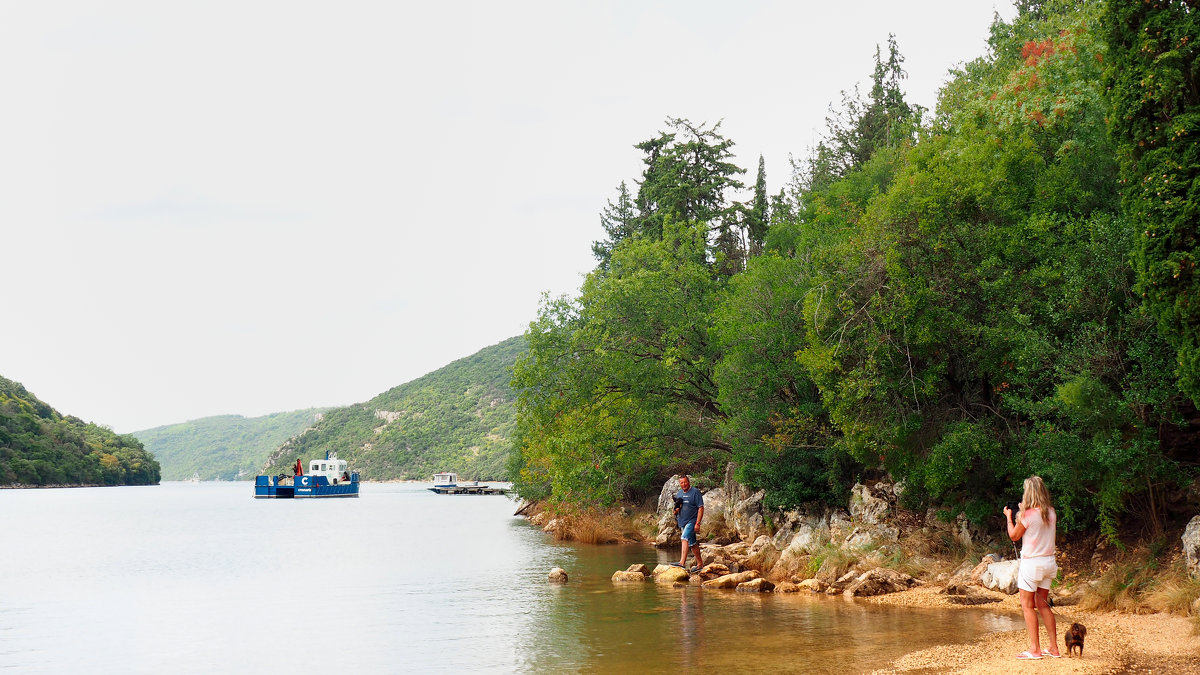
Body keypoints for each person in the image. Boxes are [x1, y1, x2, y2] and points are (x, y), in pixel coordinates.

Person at [1004, 476, 1060, 660]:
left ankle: (1035, 650)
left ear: (1028, 493)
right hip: (1049, 563)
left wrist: (1009, 517)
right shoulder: (1051, 512)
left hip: (1032, 565)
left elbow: (1014, 536)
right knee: (1043, 605)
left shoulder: (1027, 515)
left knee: (1027, 606)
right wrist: (1023, 512)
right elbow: (1038, 524)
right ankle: (1053, 648)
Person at [673, 475, 705, 572]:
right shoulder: (679, 494)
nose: (684, 484)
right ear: (680, 484)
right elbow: (675, 510)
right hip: (682, 521)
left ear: (689, 482)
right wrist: (676, 510)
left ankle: (682, 563)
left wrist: (698, 523)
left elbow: (701, 508)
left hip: (692, 521)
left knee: (684, 538)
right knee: (692, 544)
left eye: (685, 482)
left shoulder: (695, 492)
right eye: (681, 483)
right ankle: (700, 564)